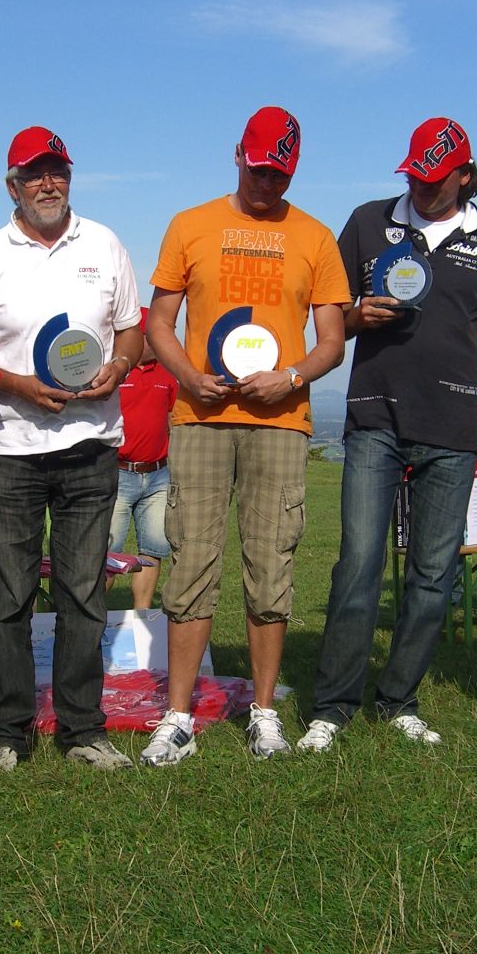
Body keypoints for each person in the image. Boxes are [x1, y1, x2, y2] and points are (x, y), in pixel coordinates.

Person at [299, 117, 477, 753]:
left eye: (435, 178)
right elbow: (330, 315)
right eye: (414, 175)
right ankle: (334, 706)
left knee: (433, 574)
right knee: (359, 564)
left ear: (465, 176)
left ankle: (399, 699)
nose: (421, 187)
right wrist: (357, 315)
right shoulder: (369, 221)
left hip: (453, 427)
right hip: (374, 418)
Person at [141, 106, 348, 765]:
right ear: (237, 154)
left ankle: (264, 715)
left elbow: (333, 340)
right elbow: (159, 323)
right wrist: (188, 377)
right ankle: (177, 717)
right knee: (190, 562)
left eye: (280, 176)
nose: (267, 184)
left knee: (271, 566)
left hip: (280, 422)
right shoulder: (190, 225)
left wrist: (291, 377)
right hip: (201, 417)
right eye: (259, 170)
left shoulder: (315, 237)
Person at [0, 127, 144, 773]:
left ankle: (82, 729)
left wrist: (120, 367)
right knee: (10, 595)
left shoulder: (105, 243)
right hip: (11, 446)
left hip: (91, 445)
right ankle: (7, 733)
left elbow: (131, 330)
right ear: (11, 185)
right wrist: (19, 386)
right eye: (34, 174)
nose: (48, 184)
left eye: (57, 172)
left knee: (83, 593)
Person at [107, 307, 177, 610]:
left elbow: (172, 419)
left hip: (158, 475)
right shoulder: (113, 371)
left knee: (153, 549)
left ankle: (142, 616)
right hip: (118, 474)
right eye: (154, 336)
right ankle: (92, 617)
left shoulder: (168, 373)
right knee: (106, 552)